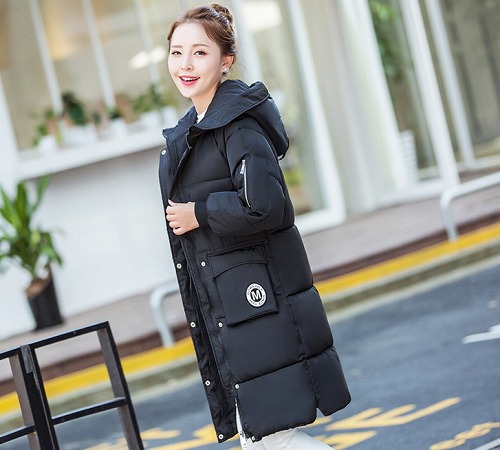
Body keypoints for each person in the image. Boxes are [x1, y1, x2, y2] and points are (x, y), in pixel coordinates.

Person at [159, 4, 350, 448]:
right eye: (177, 52)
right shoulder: (194, 131)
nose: (185, 64)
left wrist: (198, 212)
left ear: (226, 61)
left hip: (259, 303)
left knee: (272, 439)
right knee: (258, 438)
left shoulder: (237, 126)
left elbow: (265, 205)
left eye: (200, 53)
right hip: (235, 306)